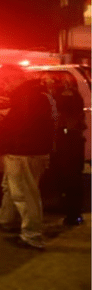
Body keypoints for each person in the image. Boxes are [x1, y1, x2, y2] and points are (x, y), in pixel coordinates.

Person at [0, 65, 55, 250]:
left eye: (3, 83)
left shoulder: (25, 96)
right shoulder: (37, 93)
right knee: (13, 189)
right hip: (32, 151)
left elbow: (22, 125)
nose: (2, 88)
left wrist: (0, 124)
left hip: (23, 153)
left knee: (25, 197)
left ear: (10, 79)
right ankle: (6, 218)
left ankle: (32, 236)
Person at [50, 75, 86, 226]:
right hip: (73, 138)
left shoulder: (66, 95)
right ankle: (73, 212)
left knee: (69, 178)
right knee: (72, 177)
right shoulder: (73, 94)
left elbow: (64, 116)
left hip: (68, 140)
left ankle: (72, 214)